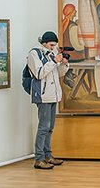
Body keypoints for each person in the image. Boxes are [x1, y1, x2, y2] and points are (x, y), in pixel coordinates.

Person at [27, 31, 70, 170]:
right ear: (44, 43)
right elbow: (39, 73)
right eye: (51, 45)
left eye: (54, 45)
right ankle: (39, 159)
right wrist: (54, 61)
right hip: (43, 96)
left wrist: (63, 64)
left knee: (50, 128)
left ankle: (48, 156)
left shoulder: (51, 54)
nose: (53, 48)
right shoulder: (34, 54)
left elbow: (59, 74)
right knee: (43, 127)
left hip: (53, 95)